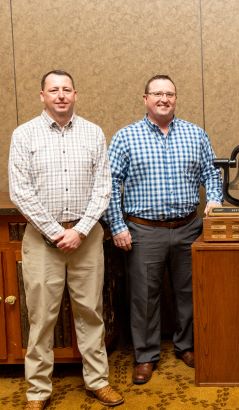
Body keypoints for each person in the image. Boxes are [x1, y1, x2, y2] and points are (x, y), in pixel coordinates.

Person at [9, 70, 124, 409]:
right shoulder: (24, 134)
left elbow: (103, 188)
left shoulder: (93, 133)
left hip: (86, 238)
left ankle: (97, 381)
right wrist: (57, 232)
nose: (60, 95)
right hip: (43, 240)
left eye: (66, 89)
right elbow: (21, 191)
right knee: (42, 317)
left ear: (76, 94)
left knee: (91, 312)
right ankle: (38, 391)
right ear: (42, 96)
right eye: (53, 90)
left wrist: (81, 230)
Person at [103, 74, 222, 384]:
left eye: (169, 94)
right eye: (157, 94)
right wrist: (117, 225)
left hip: (188, 228)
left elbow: (211, 173)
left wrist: (215, 199)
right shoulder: (126, 137)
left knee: (189, 293)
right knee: (144, 297)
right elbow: (110, 185)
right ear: (145, 99)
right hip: (144, 231)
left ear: (176, 99)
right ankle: (145, 356)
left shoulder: (195, 134)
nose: (164, 99)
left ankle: (187, 346)